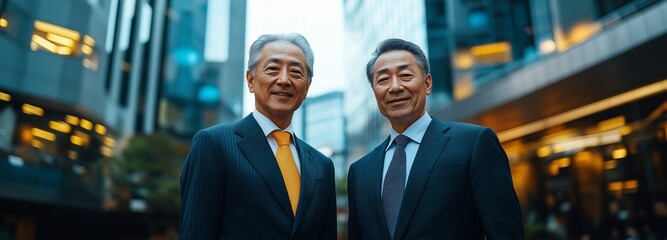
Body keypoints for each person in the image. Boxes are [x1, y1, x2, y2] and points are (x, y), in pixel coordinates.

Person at [347, 38, 524, 239]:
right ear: (375, 92)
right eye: (383, 80)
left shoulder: (474, 144)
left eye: (405, 75)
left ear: (427, 83)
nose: (394, 87)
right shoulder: (360, 171)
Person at [180, 33, 337, 239]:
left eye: (296, 72)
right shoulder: (214, 144)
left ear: (306, 87)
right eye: (273, 69)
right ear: (251, 80)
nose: (284, 79)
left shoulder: (323, 164)